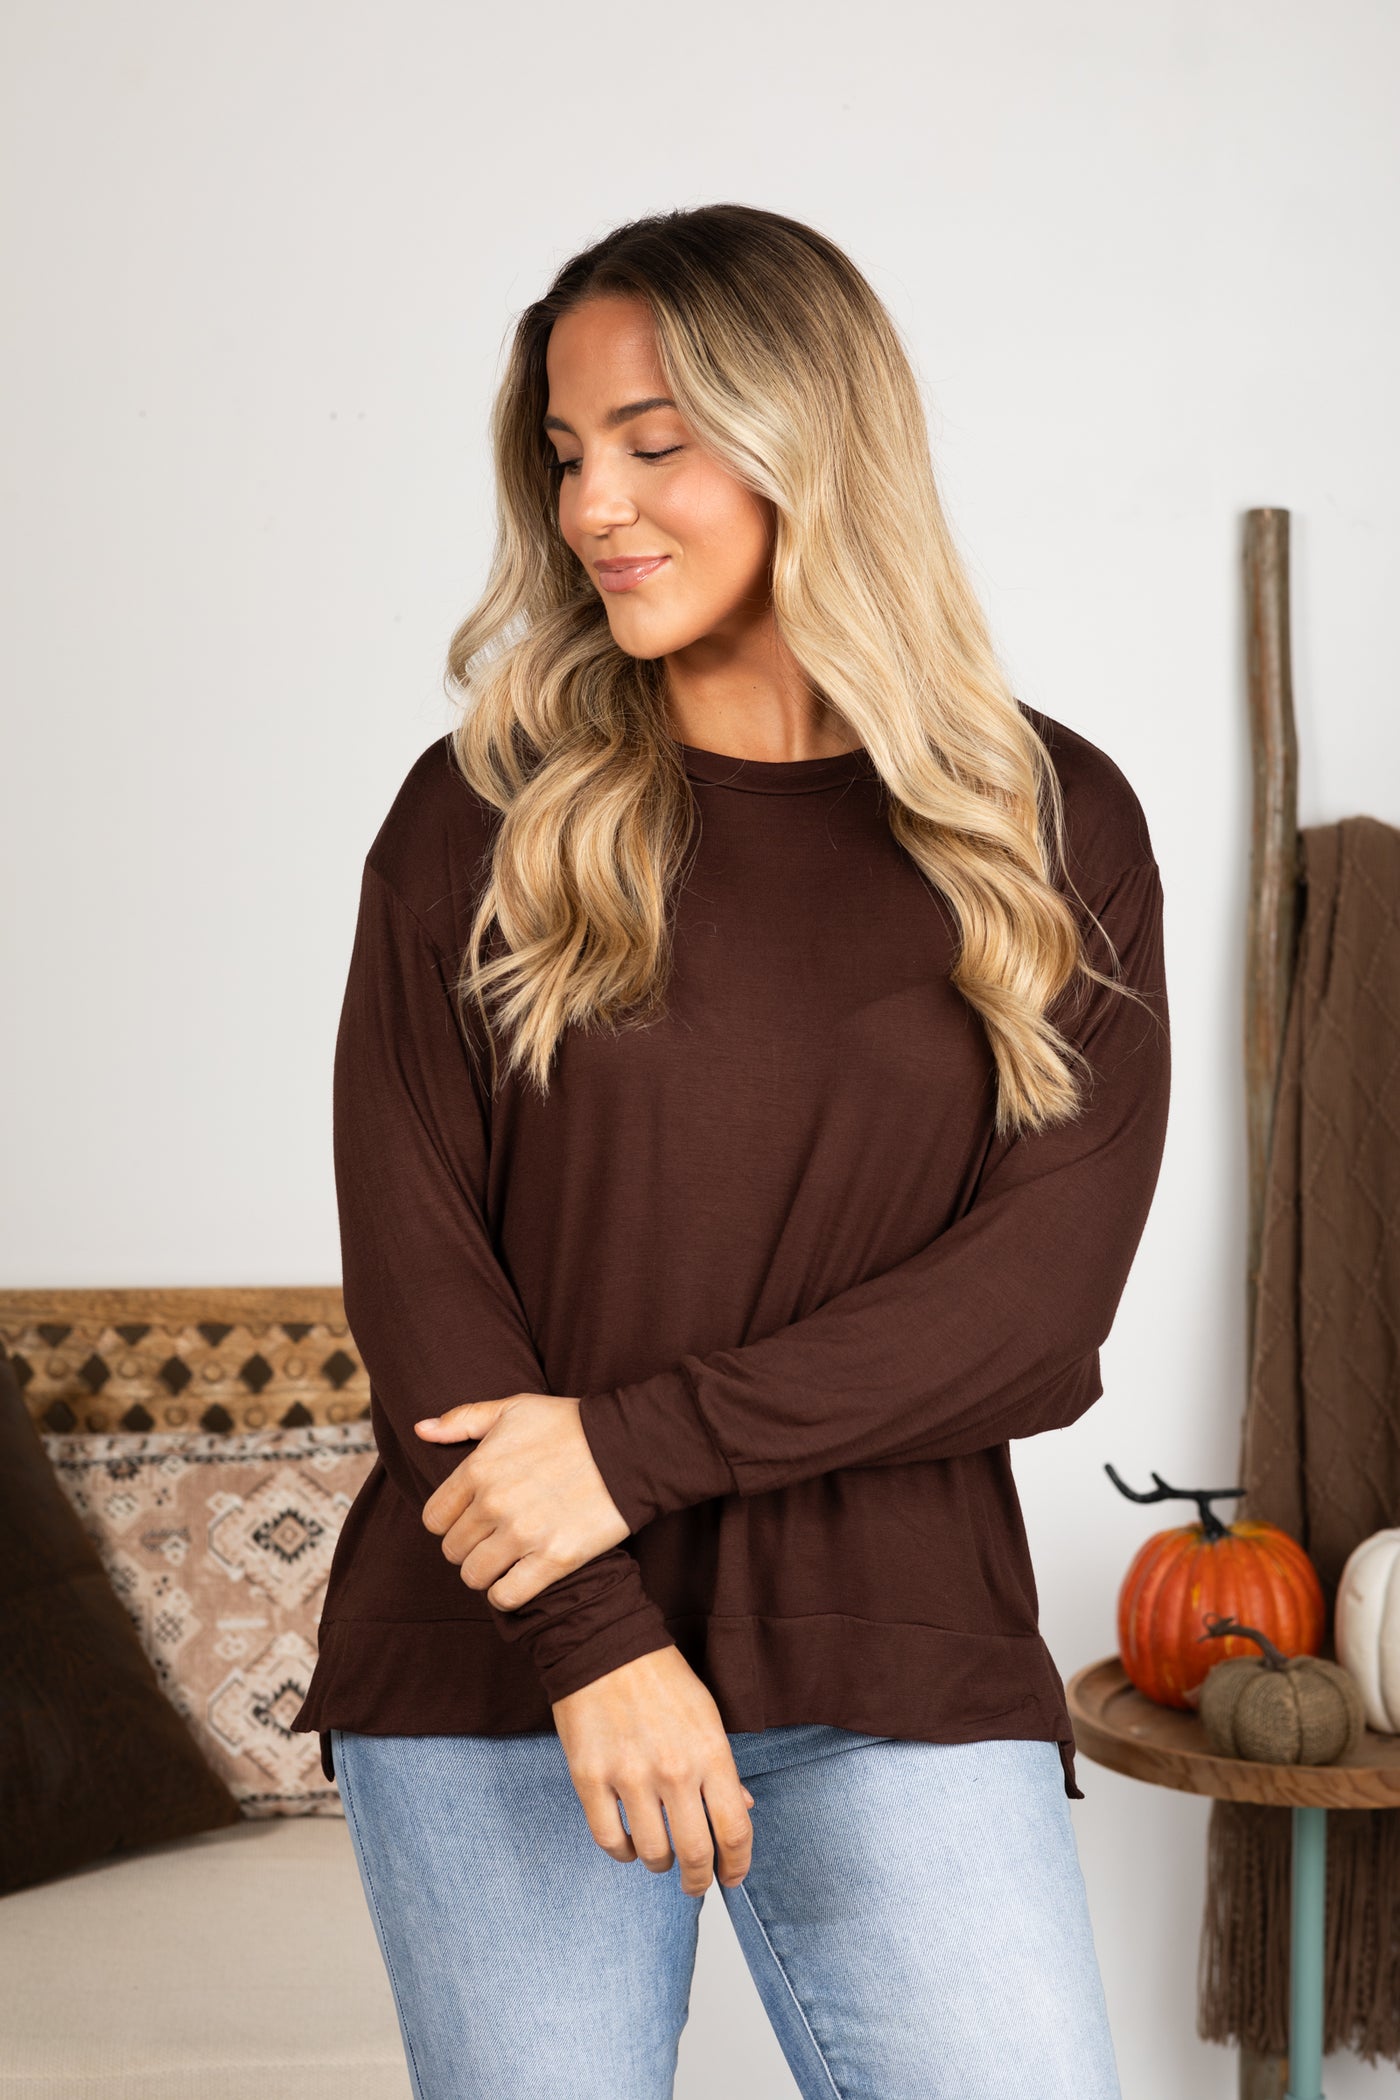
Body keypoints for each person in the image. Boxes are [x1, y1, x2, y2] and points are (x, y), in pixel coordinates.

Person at [292, 201, 1170, 2100]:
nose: (594, 507)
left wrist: (629, 1452)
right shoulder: (479, 817)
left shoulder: (1046, 822)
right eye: (565, 454)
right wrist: (593, 1634)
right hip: (509, 1659)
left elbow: (1034, 1317)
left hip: (893, 1643)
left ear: (809, 441)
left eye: (653, 443)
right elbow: (423, 1282)